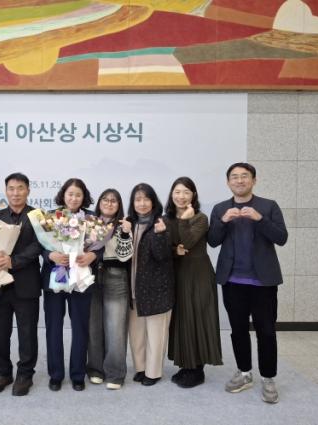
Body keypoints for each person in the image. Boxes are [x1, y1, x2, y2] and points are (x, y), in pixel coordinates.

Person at [208, 162, 288, 404]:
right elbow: (213, 241)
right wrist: (223, 220)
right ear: (228, 182)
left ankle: (268, 377)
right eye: (234, 177)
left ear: (254, 180)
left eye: (244, 176)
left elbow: (281, 238)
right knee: (238, 330)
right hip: (232, 280)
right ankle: (244, 373)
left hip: (263, 282)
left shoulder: (268, 206)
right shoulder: (220, 208)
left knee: (266, 331)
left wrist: (259, 219)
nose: (239, 180)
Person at [0, 172, 42, 396]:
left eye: (20, 188)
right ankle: (3, 373)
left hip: (26, 284)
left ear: (28, 190)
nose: (16, 193)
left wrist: (14, 261)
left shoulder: (37, 216)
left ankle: (25, 374)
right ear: (6, 191)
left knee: (27, 333)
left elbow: (40, 246)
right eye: (11, 189)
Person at [41, 178, 102, 392]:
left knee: (80, 327)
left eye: (78, 194)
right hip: (55, 277)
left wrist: (93, 255)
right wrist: (51, 255)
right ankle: (56, 374)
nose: (74, 198)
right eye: (70, 194)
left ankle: (78, 374)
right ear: (63, 195)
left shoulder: (92, 219)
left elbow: (100, 246)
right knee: (53, 327)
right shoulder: (50, 217)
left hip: (80, 278)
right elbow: (40, 244)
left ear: (83, 197)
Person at [165, 177, 222, 388]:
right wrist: (175, 250)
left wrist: (184, 220)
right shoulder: (166, 219)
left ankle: (197, 369)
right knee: (182, 319)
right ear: (172, 194)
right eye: (177, 192)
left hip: (199, 274)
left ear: (193, 195)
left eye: (186, 192)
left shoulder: (200, 218)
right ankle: (186, 365)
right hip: (177, 274)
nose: (181, 196)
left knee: (198, 318)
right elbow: (166, 247)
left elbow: (187, 242)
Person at [123, 183, 174, 386]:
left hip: (156, 289)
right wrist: (124, 233)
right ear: (132, 203)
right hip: (133, 288)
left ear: (153, 202)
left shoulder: (162, 222)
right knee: (136, 334)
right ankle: (141, 368)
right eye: (138, 199)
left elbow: (163, 256)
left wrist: (160, 235)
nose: (142, 203)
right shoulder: (128, 223)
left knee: (156, 334)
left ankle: (153, 372)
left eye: (146, 199)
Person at [86, 189, 131, 390]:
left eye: (114, 201)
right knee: (93, 326)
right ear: (99, 202)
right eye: (105, 199)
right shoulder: (89, 223)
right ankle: (95, 369)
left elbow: (125, 256)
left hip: (116, 276)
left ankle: (115, 373)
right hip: (91, 275)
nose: (109, 203)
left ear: (119, 205)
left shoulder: (124, 224)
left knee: (115, 328)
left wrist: (125, 233)